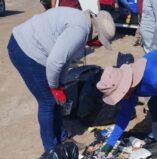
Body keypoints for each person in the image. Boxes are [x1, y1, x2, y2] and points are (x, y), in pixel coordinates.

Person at [8, 7, 115, 151]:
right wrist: (54, 87)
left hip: (32, 45)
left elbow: (65, 60)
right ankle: (51, 150)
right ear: (97, 34)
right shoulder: (80, 30)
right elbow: (55, 62)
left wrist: (61, 84)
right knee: (48, 101)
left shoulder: (82, 22)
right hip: (25, 50)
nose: (99, 45)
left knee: (55, 100)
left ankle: (62, 138)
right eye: (101, 42)